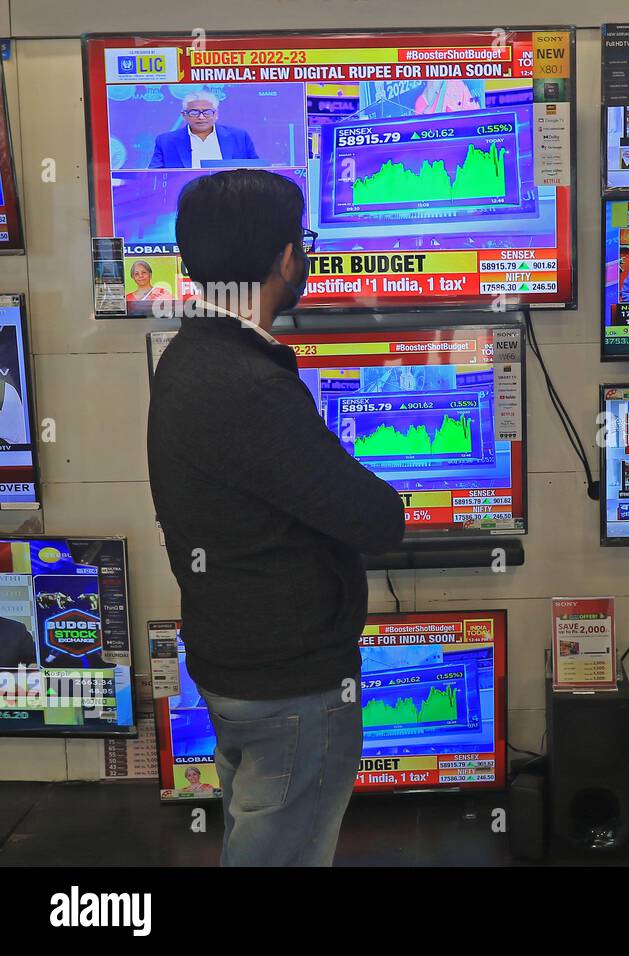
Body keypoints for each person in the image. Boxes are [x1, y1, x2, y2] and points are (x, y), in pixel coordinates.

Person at [147, 169, 406, 866]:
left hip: (235, 662)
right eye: (305, 242)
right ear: (286, 258)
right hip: (289, 687)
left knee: (259, 839)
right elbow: (377, 517)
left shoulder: (189, 356)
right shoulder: (248, 384)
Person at [149, 91, 259, 169]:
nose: (201, 117)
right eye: (194, 112)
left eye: (207, 112)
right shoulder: (166, 141)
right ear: (184, 115)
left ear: (216, 114)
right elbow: (154, 176)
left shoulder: (239, 136)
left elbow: (257, 171)